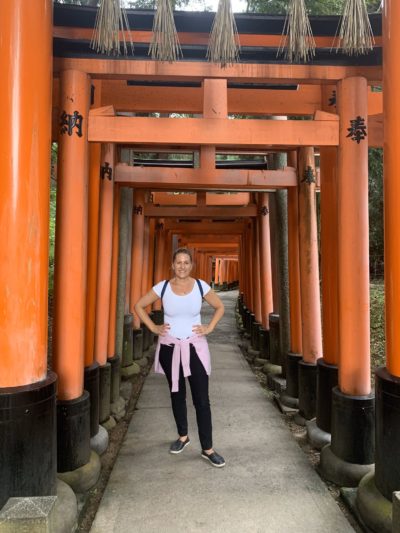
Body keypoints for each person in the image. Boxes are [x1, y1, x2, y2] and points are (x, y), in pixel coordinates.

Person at [134, 247, 226, 468]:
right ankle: (183, 436)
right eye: (178, 262)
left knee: (201, 399)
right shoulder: (163, 287)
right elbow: (138, 306)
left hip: (195, 347)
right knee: (177, 394)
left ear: (191, 265)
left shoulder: (201, 286)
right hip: (170, 347)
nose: (182, 266)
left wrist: (209, 327)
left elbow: (220, 306)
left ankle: (208, 448)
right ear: (172, 265)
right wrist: (153, 327)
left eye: (186, 262)